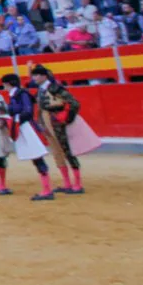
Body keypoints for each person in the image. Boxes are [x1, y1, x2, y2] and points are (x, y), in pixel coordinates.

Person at [30, 65, 85, 195]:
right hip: (46, 123)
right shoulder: (40, 90)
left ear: (44, 76)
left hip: (58, 124)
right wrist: (40, 124)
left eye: (37, 75)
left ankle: (77, 184)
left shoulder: (55, 88)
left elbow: (74, 103)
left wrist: (67, 119)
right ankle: (67, 183)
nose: (34, 78)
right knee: (57, 153)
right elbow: (40, 109)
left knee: (67, 151)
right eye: (34, 75)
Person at [0, 73, 53, 200]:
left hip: (28, 128)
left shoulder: (21, 94)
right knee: (36, 158)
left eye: (4, 85)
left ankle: (47, 190)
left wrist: (13, 119)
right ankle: (46, 189)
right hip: (24, 128)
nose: (4, 87)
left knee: (37, 157)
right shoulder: (17, 94)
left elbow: (27, 112)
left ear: (8, 84)